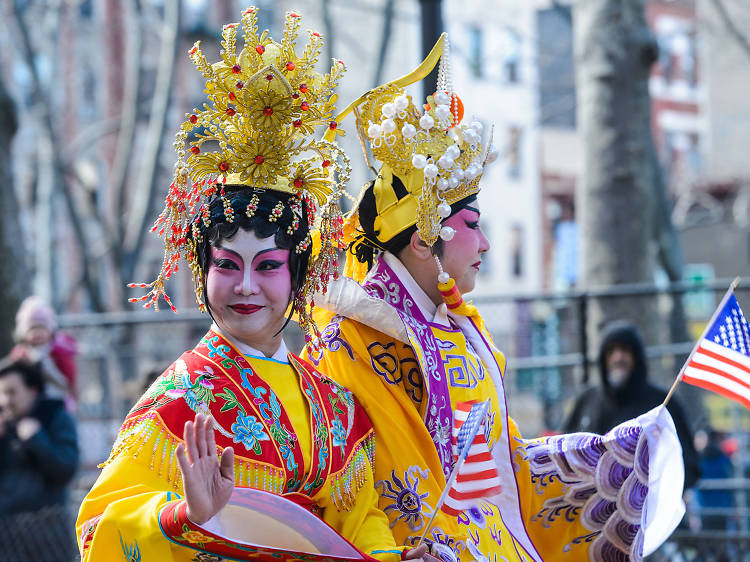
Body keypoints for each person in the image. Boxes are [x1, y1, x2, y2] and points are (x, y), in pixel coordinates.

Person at [306, 34, 686, 561]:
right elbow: (359, 484)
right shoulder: (344, 342)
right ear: (421, 239)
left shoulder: (461, 329)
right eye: (473, 226)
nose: (485, 243)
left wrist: (606, 457)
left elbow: (501, 467)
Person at [76, 9, 433, 562]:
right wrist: (183, 516)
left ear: (298, 274)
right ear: (203, 272)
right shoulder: (179, 403)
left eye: (267, 266)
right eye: (227, 265)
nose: (246, 287)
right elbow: (99, 527)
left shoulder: (333, 405)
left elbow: (362, 520)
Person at [563, 320, 700, 488]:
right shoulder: (586, 400)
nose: (618, 357)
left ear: (637, 356)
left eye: (625, 350)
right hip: (591, 508)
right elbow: (565, 458)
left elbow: (688, 465)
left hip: (646, 508)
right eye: (611, 351)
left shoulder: (662, 404)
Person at [0, 358, 79, 560]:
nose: (5, 401)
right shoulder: (3, 426)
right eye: (1, 394)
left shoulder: (54, 417)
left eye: (11, 392)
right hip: (7, 532)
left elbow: (66, 469)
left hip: (48, 530)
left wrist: (37, 439)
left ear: (33, 390)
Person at [10, 296, 77, 408]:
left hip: (57, 401)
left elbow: (69, 379)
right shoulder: (21, 354)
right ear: (23, 333)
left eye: (41, 328)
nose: (37, 333)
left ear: (50, 331)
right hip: (30, 403)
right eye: (32, 329)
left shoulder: (58, 353)